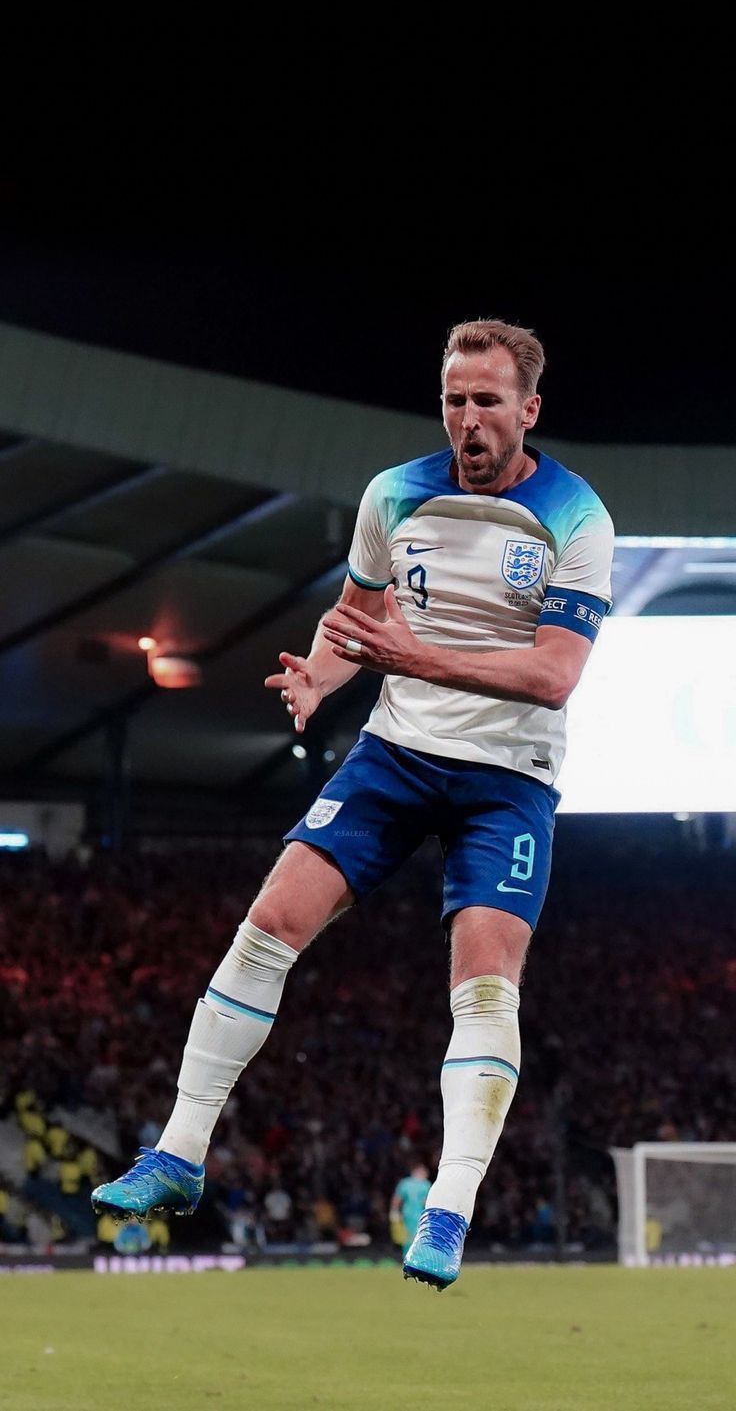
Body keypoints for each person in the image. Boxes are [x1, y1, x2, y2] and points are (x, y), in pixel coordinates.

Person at [93, 317, 614, 1290]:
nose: (466, 419)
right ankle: (177, 1151)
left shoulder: (576, 517)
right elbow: (358, 617)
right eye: (454, 399)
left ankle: (449, 1209)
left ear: (528, 409)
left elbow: (553, 674)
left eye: (487, 402)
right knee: (268, 921)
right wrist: (323, 679)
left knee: (485, 984)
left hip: (507, 780)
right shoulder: (394, 493)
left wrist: (412, 657)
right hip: (396, 754)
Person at [391, 1161, 431, 1259]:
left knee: (408, 1236)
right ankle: (416, 1258)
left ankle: (407, 1258)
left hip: (407, 1213)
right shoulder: (425, 1184)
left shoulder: (404, 1183)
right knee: (418, 1235)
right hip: (419, 1213)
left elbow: (397, 1199)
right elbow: (427, 1201)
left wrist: (394, 1211)